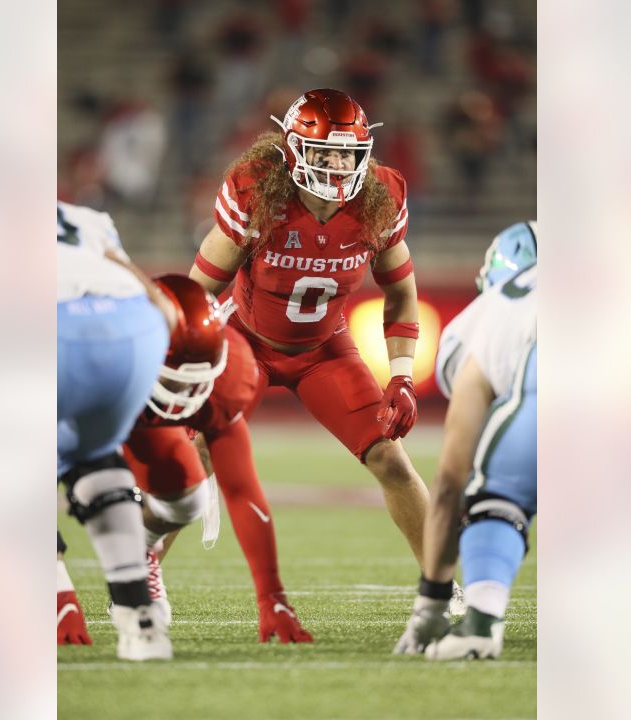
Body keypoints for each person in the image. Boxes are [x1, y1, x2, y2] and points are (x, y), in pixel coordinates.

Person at [188, 88, 435, 584]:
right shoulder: (258, 193)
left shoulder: (378, 199)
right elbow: (196, 294)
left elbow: (402, 296)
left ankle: (442, 586)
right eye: (325, 151)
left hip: (324, 351)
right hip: (248, 342)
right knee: (194, 456)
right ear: (294, 149)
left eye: (348, 152)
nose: (338, 164)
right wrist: (192, 361)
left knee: (390, 459)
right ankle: (139, 582)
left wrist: (403, 377)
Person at [124, 276, 314, 643]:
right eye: (178, 377)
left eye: (198, 378)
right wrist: (61, 594)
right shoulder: (87, 365)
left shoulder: (229, 370)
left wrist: (271, 597)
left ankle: (143, 551)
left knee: (186, 497)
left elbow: (242, 489)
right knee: (96, 489)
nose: (186, 395)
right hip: (100, 404)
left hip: (140, 410)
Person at [394, 221, 537, 660]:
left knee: (496, 495)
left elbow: (449, 484)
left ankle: (480, 621)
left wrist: (432, 602)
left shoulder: (488, 313)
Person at [56, 200, 178, 660]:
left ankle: (57, 600)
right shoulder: (81, 216)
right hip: (134, 326)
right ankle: (139, 619)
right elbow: (160, 304)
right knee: (97, 459)